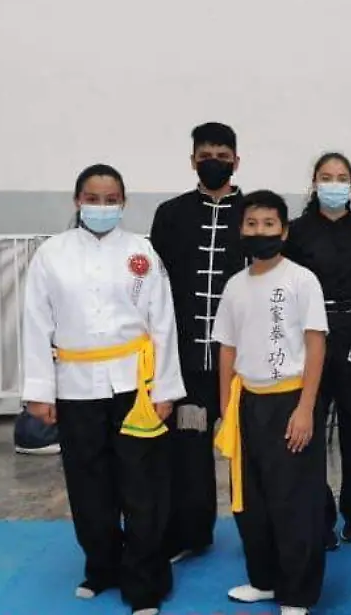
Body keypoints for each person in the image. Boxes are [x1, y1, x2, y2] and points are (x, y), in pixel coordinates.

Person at [22, 164, 185, 615]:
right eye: (92, 199)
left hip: (135, 386)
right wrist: (40, 390)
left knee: (142, 487)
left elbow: (163, 322)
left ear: (123, 203)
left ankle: (145, 583)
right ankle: (102, 567)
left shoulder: (141, 252)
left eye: (111, 199)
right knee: (88, 485)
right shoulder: (51, 255)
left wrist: (165, 389)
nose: (101, 207)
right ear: (77, 201)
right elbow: (36, 324)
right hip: (75, 386)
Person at [211, 190, 329, 615]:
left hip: (290, 400)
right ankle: (264, 580)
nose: (259, 231)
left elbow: (315, 344)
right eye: (251, 224)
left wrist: (306, 407)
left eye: (268, 224)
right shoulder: (234, 285)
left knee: (293, 502)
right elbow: (226, 348)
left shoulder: (302, 280)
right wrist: (226, 407)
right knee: (251, 500)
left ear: (284, 230)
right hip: (247, 403)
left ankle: (297, 592)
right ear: (240, 230)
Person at [149, 122, 246, 562]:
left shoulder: (253, 213)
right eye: (206, 156)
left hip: (244, 361)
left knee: (252, 450)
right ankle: (192, 533)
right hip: (188, 360)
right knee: (189, 449)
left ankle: (264, 534)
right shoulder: (171, 215)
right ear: (192, 161)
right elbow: (157, 287)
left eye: (223, 157)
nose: (214, 163)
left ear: (236, 161)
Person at [285, 152, 351, 549]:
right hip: (309, 334)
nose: (334, 184)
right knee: (308, 429)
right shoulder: (296, 230)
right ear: (314, 182)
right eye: (327, 177)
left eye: (342, 177)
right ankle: (318, 516)